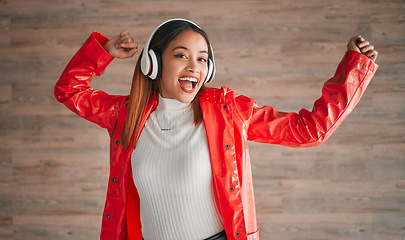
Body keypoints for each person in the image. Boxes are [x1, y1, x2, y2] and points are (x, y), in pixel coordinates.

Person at [54, 19, 378, 240]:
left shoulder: (228, 111)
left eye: (202, 59)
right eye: (181, 56)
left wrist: (354, 67)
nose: (194, 67)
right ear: (152, 62)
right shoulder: (125, 115)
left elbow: (309, 129)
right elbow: (69, 91)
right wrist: (102, 53)